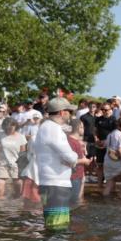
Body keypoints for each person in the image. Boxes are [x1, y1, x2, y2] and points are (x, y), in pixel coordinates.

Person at [34, 98, 86, 230]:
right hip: (56, 184)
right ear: (62, 112)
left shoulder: (44, 127)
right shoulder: (54, 129)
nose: (71, 114)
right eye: (69, 111)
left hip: (47, 182)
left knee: (51, 225)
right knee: (58, 228)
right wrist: (74, 158)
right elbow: (70, 157)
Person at [0, 119, 26, 197]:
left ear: (16, 126)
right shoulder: (0, 134)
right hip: (2, 163)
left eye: (11, 127)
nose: (8, 129)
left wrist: (22, 165)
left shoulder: (21, 137)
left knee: (18, 186)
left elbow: (23, 152)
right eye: (6, 127)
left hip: (16, 164)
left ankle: (16, 202)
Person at [102, 117, 121, 198]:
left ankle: (104, 201)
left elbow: (104, 145)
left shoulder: (111, 134)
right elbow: (120, 150)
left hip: (107, 160)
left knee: (109, 183)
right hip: (118, 162)